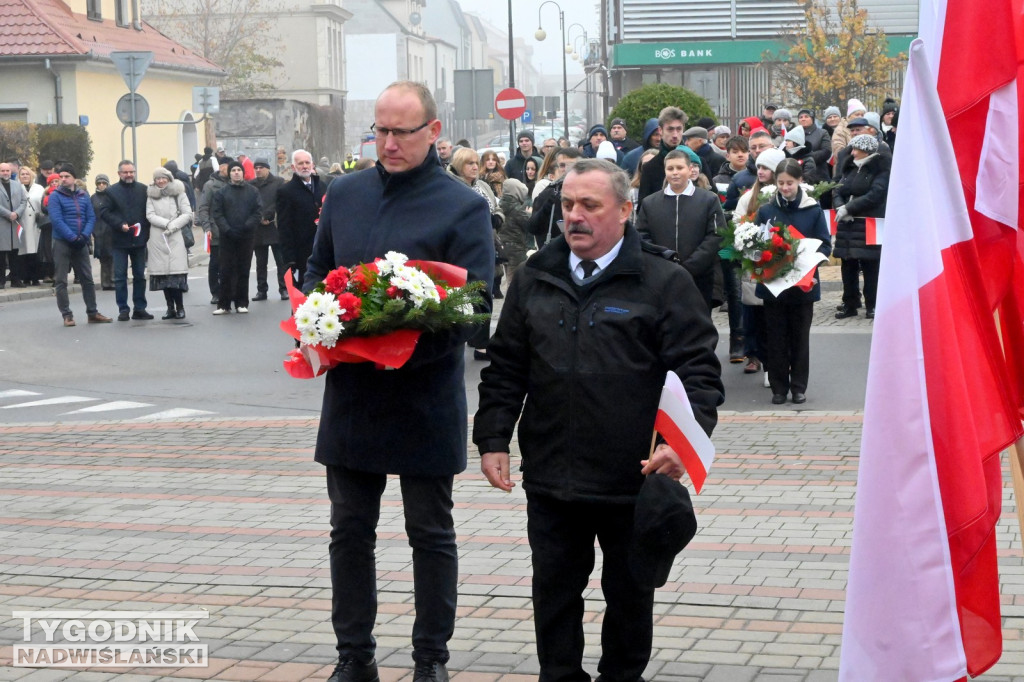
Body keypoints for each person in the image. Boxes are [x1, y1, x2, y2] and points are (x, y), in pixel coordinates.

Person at [473, 158, 723, 682]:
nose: (574, 217)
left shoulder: (663, 280)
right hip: (551, 477)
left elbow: (698, 370)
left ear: (625, 211)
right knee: (555, 595)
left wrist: (684, 441)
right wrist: (493, 437)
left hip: (632, 477)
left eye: (590, 205)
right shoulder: (535, 276)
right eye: (567, 205)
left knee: (630, 599)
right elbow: (506, 366)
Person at [303, 80, 493, 682]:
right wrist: (319, 320)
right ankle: (353, 658)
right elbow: (316, 270)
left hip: (425, 396)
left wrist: (403, 339)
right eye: (379, 131)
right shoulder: (345, 192)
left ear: (433, 132)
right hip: (353, 397)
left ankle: (429, 661)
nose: (386, 144)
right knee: (349, 532)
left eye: (400, 133)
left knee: (430, 533)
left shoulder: (462, 205)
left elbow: (476, 306)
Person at [754, 159, 831, 405]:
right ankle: (778, 387)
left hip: (803, 286)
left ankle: (798, 386)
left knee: (799, 338)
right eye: (781, 183)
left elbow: (825, 244)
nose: (785, 188)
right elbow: (756, 245)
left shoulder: (813, 210)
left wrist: (809, 264)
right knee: (776, 338)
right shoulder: (766, 210)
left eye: (790, 183)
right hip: (774, 285)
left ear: (800, 181)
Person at [635, 149, 724, 311]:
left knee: (698, 325)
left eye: (679, 168)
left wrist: (691, 266)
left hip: (699, 277)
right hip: (661, 277)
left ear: (690, 170)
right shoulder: (650, 203)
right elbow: (642, 235)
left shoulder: (709, 200)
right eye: (670, 169)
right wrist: (663, 262)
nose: (675, 173)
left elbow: (716, 235)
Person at [832, 134, 890, 320]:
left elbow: (876, 194)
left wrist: (849, 208)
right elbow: (838, 189)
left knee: (870, 266)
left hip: (868, 224)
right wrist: (840, 207)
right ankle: (850, 302)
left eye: (856, 149)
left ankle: (872, 304)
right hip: (848, 225)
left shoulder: (879, 169)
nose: (852, 152)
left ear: (866, 150)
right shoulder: (849, 168)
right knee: (847, 265)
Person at [48, 164, 112, 326]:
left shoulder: (83, 195)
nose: (63, 179)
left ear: (74, 178)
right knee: (61, 280)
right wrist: (71, 236)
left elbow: (91, 217)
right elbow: (56, 219)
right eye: (61, 176)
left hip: (81, 241)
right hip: (63, 241)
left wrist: (84, 235)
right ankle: (67, 315)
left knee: (87, 279)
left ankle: (92, 312)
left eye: (66, 176)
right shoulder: (55, 196)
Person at [101, 160, 153, 321]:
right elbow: (104, 212)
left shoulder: (143, 190)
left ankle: (140, 308)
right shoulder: (111, 192)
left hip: (139, 240)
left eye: (132, 172)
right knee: (120, 276)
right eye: (126, 172)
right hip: (119, 241)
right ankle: (123, 309)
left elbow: (149, 212)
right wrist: (119, 224)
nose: (129, 175)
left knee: (139, 275)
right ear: (119, 174)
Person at [210, 160, 261, 315]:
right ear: (229, 173)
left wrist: (247, 226)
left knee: (243, 268)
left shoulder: (252, 191)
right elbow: (217, 213)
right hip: (227, 236)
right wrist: (227, 229)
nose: (236, 172)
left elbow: (257, 212)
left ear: (243, 173)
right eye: (233, 170)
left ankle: (241, 302)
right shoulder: (222, 192)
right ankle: (224, 304)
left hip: (246, 236)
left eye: (239, 170)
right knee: (225, 270)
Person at [145, 167, 192, 319]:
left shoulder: (179, 193)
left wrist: (173, 225)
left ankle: (180, 307)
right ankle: (169, 307)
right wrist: (166, 223)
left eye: (163, 178)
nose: (161, 181)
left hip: (175, 236)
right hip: (158, 236)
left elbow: (187, 213)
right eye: (158, 178)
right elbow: (150, 215)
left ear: (169, 179)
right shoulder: (151, 195)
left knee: (175, 275)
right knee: (163, 276)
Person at [276, 149, 325, 289]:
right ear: (293, 167)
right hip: (301, 254)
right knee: (303, 294)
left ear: (312, 165)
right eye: (300, 163)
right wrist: (289, 260)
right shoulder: (286, 191)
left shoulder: (323, 186)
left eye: (307, 163)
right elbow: (284, 227)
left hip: (323, 250)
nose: (304, 166)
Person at [250, 158, 287, 301]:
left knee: (281, 261)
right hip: (258, 229)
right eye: (256, 167)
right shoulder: (251, 185)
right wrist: (259, 217)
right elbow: (250, 204)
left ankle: (284, 289)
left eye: (261, 167)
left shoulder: (278, 182)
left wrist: (269, 214)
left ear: (268, 168)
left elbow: (281, 201)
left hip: (275, 226)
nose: (258, 170)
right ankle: (261, 290)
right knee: (260, 262)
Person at [528, 147, 581, 247]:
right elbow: (533, 227)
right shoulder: (549, 192)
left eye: (571, 165)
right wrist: (548, 206)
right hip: (557, 256)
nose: (566, 169)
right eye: (562, 165)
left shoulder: (592, 192)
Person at [196, 156, 231, 304]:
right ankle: (216, 292)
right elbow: (203, 207)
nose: (226, 169)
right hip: (216, 230)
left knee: (232, 263)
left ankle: (231, 291)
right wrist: (206, 227)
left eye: (229, 166)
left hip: (233, 231)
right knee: (215, 263)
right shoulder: (210, 185)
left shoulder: (237, 184)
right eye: (224, 165)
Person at [638, 106, 688, 203]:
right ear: (660, 130)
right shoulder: (650, 168)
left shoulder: (696, 162)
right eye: (670, 129)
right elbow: (643, 207)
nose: (675, 135)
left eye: (679, 129)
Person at [0, 161, 27, 288]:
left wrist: (16, 213)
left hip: (15, 223)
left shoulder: (17, 185)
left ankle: (16, 279)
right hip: (2, 223)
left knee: (15, 254)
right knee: (1, 254)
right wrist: (8, 214)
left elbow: (23, 201)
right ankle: (1, 281)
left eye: (7, 171)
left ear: (11, 172)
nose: (5, 173)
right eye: (2, 171)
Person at [17, 166, 44, 285]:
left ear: (31, 175)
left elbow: (44, 203)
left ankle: (35, 277)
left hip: (35, 222)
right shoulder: (16, 188)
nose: (25, 176)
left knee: (35, 251)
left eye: (27, 174)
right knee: (23, 251)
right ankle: (25, 277)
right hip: (21, 223)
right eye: (22, 174)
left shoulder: (39, 188)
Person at [90, 174, 114, 290]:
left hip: (111, 230)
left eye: (103, 183)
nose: (101, 185)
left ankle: (113, 280)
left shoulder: (112, 196)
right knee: (103, 257)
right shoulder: (93, 198)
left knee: (112, 256)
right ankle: (105, 282)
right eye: (99, 183)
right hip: (98, 231)